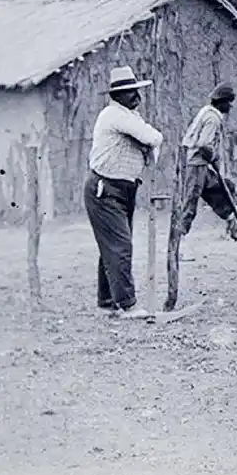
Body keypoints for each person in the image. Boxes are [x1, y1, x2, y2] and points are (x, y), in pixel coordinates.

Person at [84, 66, 164, 318]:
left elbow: (153, 148)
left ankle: (108, 300)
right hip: (104, 188)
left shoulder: (130, 115)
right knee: (119, 246)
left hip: (125, 187)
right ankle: (127, 305)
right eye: (128, 92)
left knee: (113, 245)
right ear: (116, 95)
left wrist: (150, 144)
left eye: (135, 90)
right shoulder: (114, 115)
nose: (135, 96)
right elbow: (151, 136)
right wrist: (150, 142)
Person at [177, 84, 237, 239]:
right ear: (221, 102)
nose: (230, 106)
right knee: (191, 198)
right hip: (197, 162)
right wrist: (213, 157)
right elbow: (204, 144)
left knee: (217, 191)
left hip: (199, 162)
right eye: (228, 102)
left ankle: (233, 223)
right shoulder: (212, 118)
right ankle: (180, 232)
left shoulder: (206, 112)